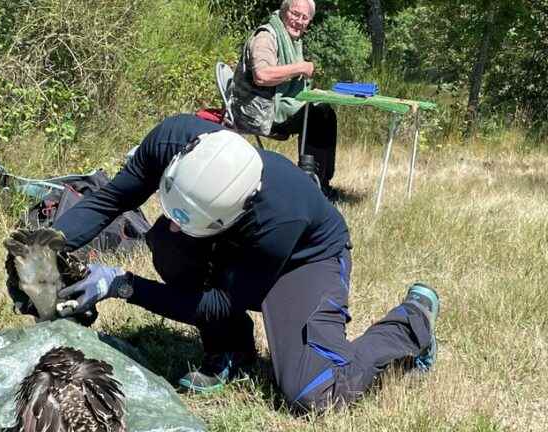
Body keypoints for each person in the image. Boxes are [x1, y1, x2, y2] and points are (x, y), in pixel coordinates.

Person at [44, 114, 440, 413]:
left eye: (192, 225)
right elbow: (112, 199)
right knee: (167, 241)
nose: (181, 231)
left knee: (314, 391)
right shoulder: (173, 140)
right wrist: (44, 248)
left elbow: (221, 302)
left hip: (304, 260)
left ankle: (411, 322)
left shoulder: (282, 214)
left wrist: (122, 284)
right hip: (234, 240)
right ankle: (230, 348)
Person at [230, 0, 339, 200]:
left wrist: (313, 93)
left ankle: (320, 181)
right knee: (317, 116)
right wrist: (300, 67)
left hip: (274, 107)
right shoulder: (266, 37)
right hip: (256, 112)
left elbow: (288, 85)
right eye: (295, 14)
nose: (299, 21)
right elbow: (262, 76)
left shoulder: (292, 40)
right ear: (283, 11)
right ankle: (311, 185)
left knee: (324, 111)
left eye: (304, 18)